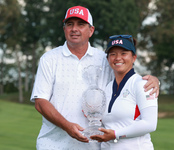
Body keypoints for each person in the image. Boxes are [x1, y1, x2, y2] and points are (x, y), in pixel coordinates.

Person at [30, 6, 159, 150]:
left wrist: (153, 80)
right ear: (64, 28)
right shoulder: (49, 59)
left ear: (91, 30)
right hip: (53, 144)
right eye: (69, 24)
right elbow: (40, 102)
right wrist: (67, 126)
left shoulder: (104, 59)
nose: (74, 29)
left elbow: (126, 75)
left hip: (93, 146)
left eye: (81, 24)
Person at [90, 35, 158, 150]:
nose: (117, 58)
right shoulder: (108, 87)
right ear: (108, 59)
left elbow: (150, 124)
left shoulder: (142, 84)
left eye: (123, 53)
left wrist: (115, 134)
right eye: (113, 54)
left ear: (134, 57)